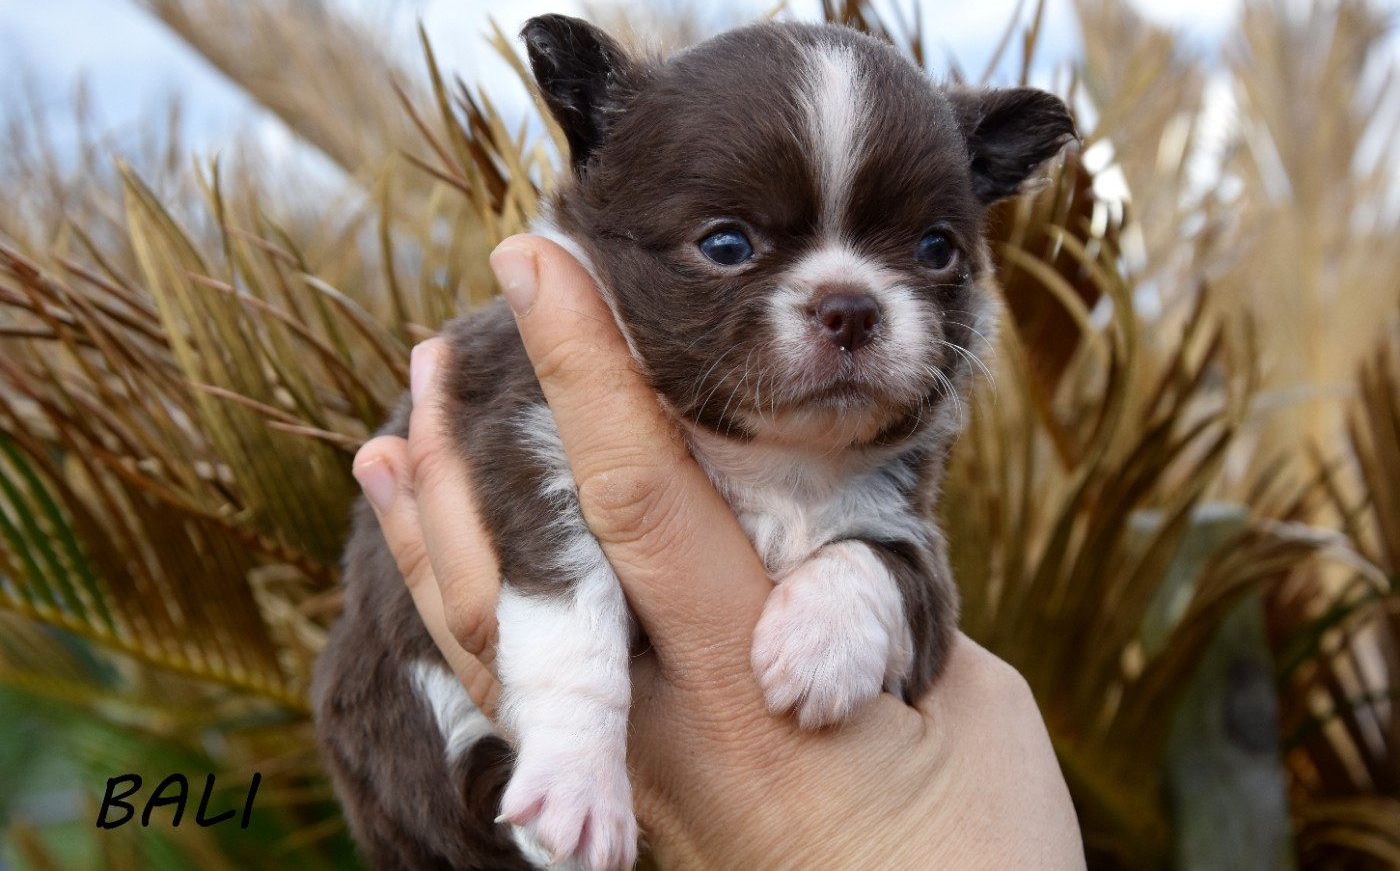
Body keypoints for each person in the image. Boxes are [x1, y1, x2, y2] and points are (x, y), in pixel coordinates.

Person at [349, 236, 1086, 869]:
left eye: (930, 250)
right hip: (442, 803)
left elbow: (907, 577)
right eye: (730, 246)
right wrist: (576, 707)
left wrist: (855, 585)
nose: (851, 307)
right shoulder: (550, 376)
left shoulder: (882, 470)